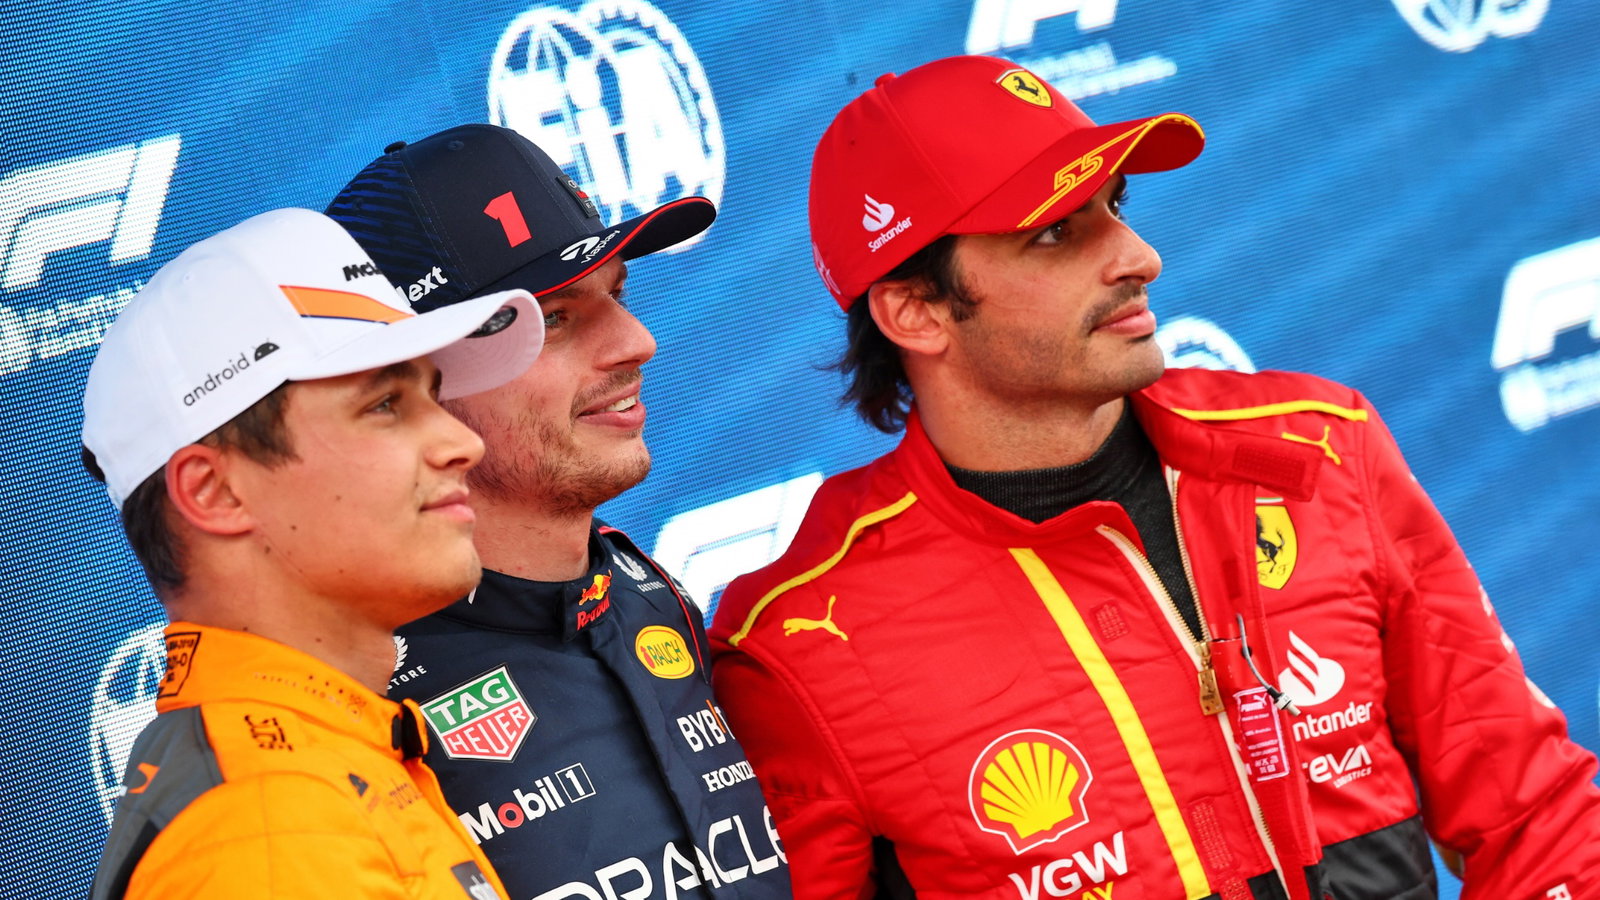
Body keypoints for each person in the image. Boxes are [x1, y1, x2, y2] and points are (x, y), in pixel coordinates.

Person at [707, 55, 1600, 900]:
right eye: (1054, 232)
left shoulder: (1320, 448)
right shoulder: (802, 643)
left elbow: (1535, 813)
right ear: (916, 310)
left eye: (1116, 203)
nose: (1138, 256)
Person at [326, 124, 792, 900]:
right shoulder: (351, 693)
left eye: (618, 295)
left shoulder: (644, 590)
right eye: (556, 318)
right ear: (411, 377)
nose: (637, 342)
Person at [84, 207, 543, 900]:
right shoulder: (272, 831)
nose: (463, 443)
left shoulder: (315, 765)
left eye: (434, 393)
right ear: (214, 492)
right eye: (385, 404)